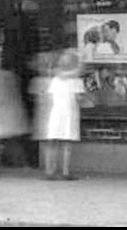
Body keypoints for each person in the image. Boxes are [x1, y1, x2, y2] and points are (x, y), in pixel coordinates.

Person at [42, 48, 85, 180]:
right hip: (70, 114)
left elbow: (48, 98)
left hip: (55, 113)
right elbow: (79, 99)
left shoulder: (55, 79)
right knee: (66, 144)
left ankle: (50, 171)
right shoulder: (77, 81)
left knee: (52, 143)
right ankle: (65, 172)